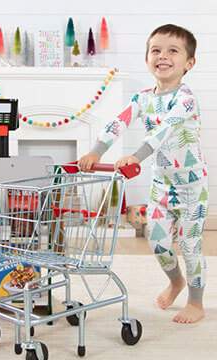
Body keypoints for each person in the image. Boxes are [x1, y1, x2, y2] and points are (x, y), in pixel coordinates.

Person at [78, 24, 208, 324]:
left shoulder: (185, 99)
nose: (163, 56)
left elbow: (162, 133)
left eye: (173, 51)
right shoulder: (141, 99)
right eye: (156, 50)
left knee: (190, 247)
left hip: (191, 189)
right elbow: (118, 122)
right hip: (161, 187)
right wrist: (96, 151)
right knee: (158, 243)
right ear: (147, 58)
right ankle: (176, 282)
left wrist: (135, 158)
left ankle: (196, 302)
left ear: (189, 63)